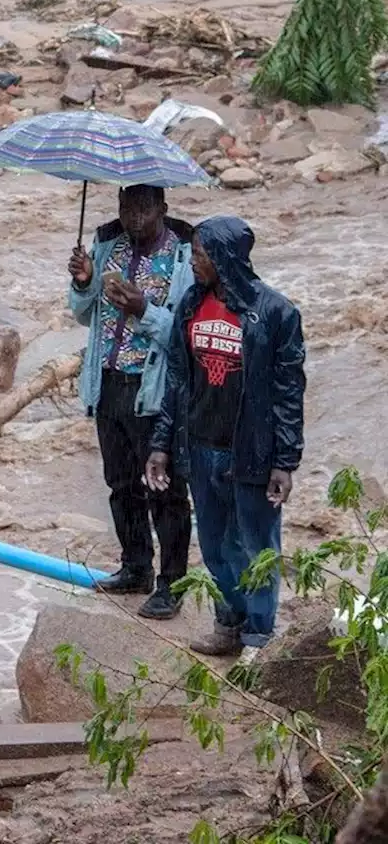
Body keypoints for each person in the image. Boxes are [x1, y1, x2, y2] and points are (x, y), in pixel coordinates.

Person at [146, 215, 306, 662]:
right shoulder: (192, 305)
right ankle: (228, 625)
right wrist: (161, 443)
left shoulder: (275, 313)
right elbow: (177, 380)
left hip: (252, 453)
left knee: (255, 547)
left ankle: (259, 636)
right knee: (215, 546)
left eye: (200, 253)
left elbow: (289, 392)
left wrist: (285, 461)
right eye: (194, 252)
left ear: (225, 257)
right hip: (200, 448)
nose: (193, 261)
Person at [68, 184, 195, 620]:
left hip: (154, 389)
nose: (133, 216)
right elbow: (86, 315)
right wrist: (83, 281)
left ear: (162, 207)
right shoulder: (108, 247)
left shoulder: (183, 257)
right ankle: (135, 566)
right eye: (126, 207)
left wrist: (144, 308)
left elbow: (184, 334)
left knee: (166, 491)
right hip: (108, 381)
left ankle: (172, 584)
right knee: (121, 484)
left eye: (142, 208)